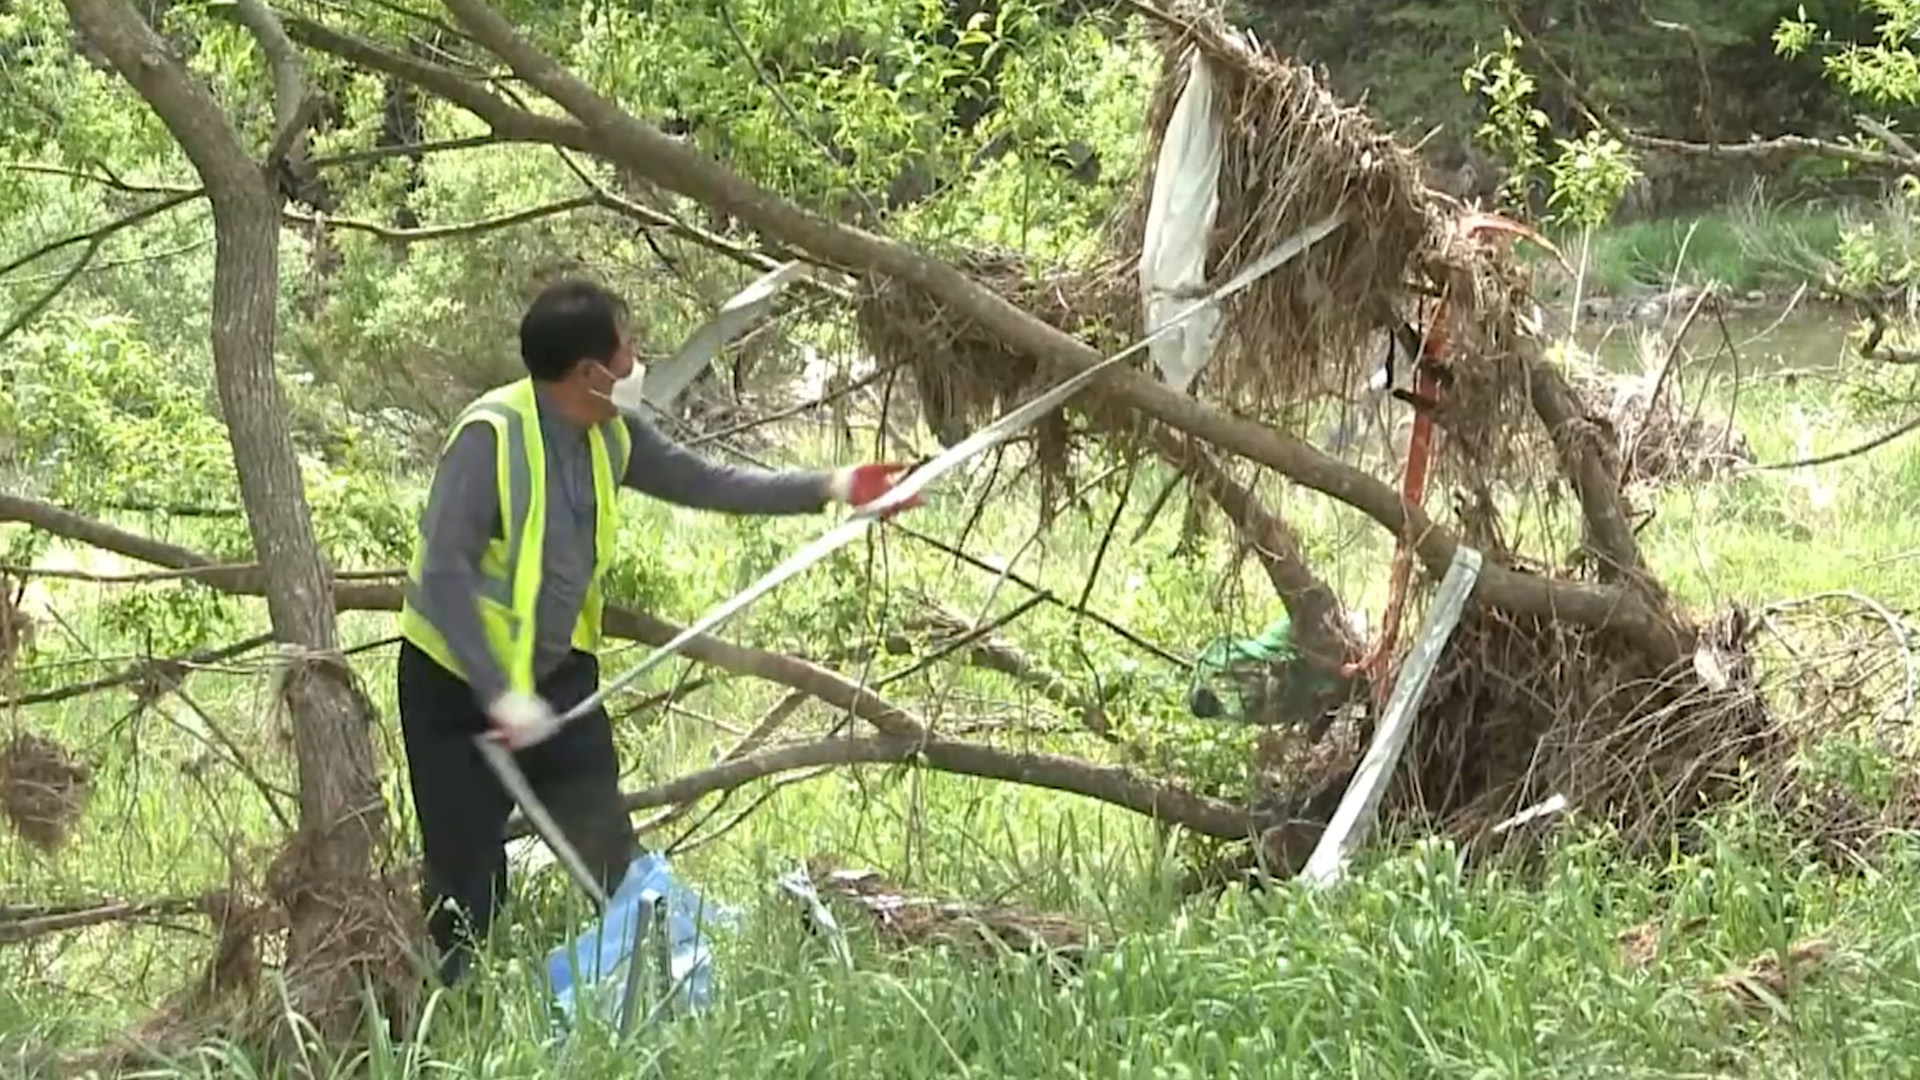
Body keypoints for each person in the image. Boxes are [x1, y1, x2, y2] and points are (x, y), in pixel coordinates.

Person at [395, 278, 917, 985]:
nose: (638, 361)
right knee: (467, 885)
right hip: (455, 690)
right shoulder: (491, 439)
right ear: (590, 373)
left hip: (558, 683)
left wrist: (834, 486)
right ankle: (455, 1010)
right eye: (628, 349)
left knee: (612, 857)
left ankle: (649, 991)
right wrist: (499, 694)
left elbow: (707, 482)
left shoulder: (612, 431)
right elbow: (444, 576)